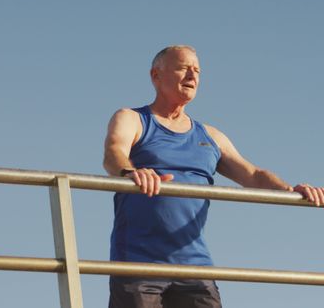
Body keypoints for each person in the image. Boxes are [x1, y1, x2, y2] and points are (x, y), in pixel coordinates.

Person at [102, 45, 324, 308]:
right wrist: (131, 171)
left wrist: (292, 191)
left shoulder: (209, 136)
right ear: (156, 75)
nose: (192, 76)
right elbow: (114, 151)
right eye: (183, 68)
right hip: (138, 264)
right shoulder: (133, 119)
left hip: (196, 269)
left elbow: (253, 174)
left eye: (197, 70)